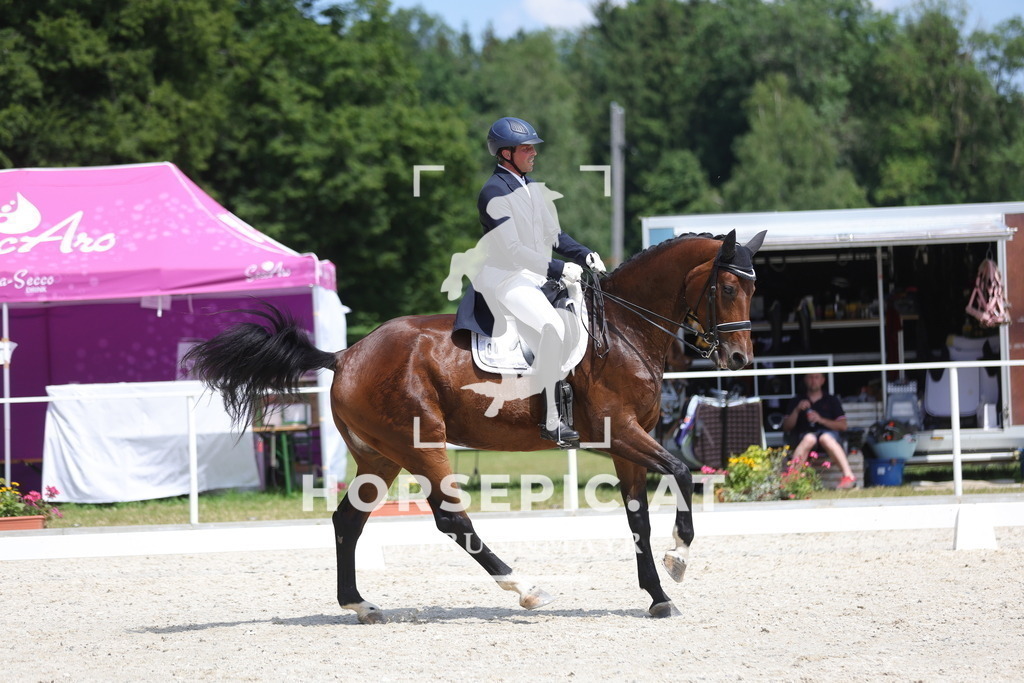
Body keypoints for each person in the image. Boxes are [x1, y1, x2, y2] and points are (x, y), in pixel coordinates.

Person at [452, 116, 607, 446]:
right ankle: (552, 420)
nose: (534, 153)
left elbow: (556, 236)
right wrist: (558, 268)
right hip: (506, 277)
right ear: (506, 153)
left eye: (533, 148)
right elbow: (512, 250)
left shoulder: (533, 188)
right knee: (551, 326)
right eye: (526, 149)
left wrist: (585, 255)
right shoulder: (494, 192)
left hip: (535, 275)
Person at [781, 372, 857, 489]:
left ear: (822, 380)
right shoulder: (797, 400)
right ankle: (792, 478)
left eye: (816, 377)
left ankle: (848, 477)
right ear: (805, 380)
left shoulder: (831, 400)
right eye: (810, 377)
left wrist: (820, 419)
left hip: (829, 438)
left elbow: (843, 426)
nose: (813, 380)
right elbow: (786, 427)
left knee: (825, 438)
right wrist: (797, 410)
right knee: (809, 438)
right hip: (804, 439)